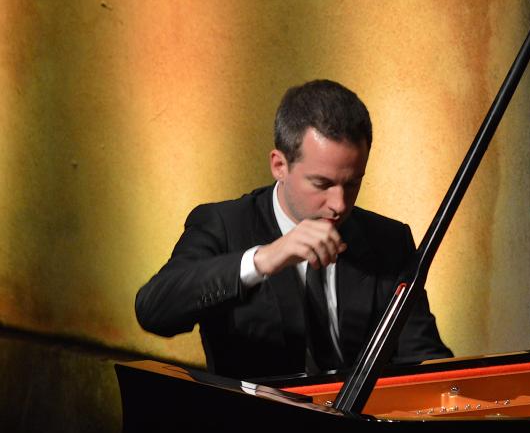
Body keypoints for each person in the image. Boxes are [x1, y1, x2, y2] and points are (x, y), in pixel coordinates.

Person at [135, 79, 452, 379]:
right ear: (279, 166)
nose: (339, 204)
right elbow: (154, 310)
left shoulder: (389, 241)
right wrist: (262, 260)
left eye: (353, 183)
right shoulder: (225, 225)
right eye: (322, 184)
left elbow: (422, 356)